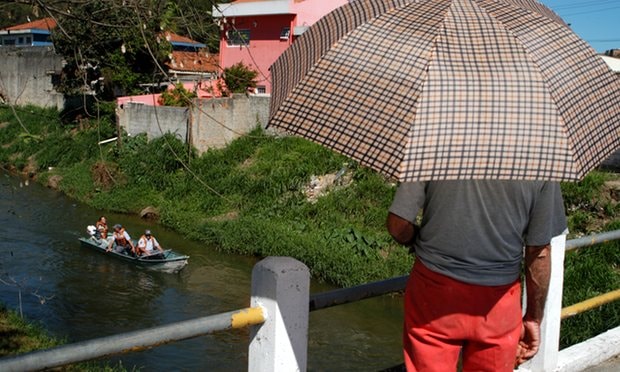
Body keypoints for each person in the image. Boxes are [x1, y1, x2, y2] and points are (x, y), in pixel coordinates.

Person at [387, 180, 567, 371]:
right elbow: (539, 253)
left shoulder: (431, 151)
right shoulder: (542, 161)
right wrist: (533, 317)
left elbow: (397, 225)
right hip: (498, 303)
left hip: (434, 294)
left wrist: (417, 239)